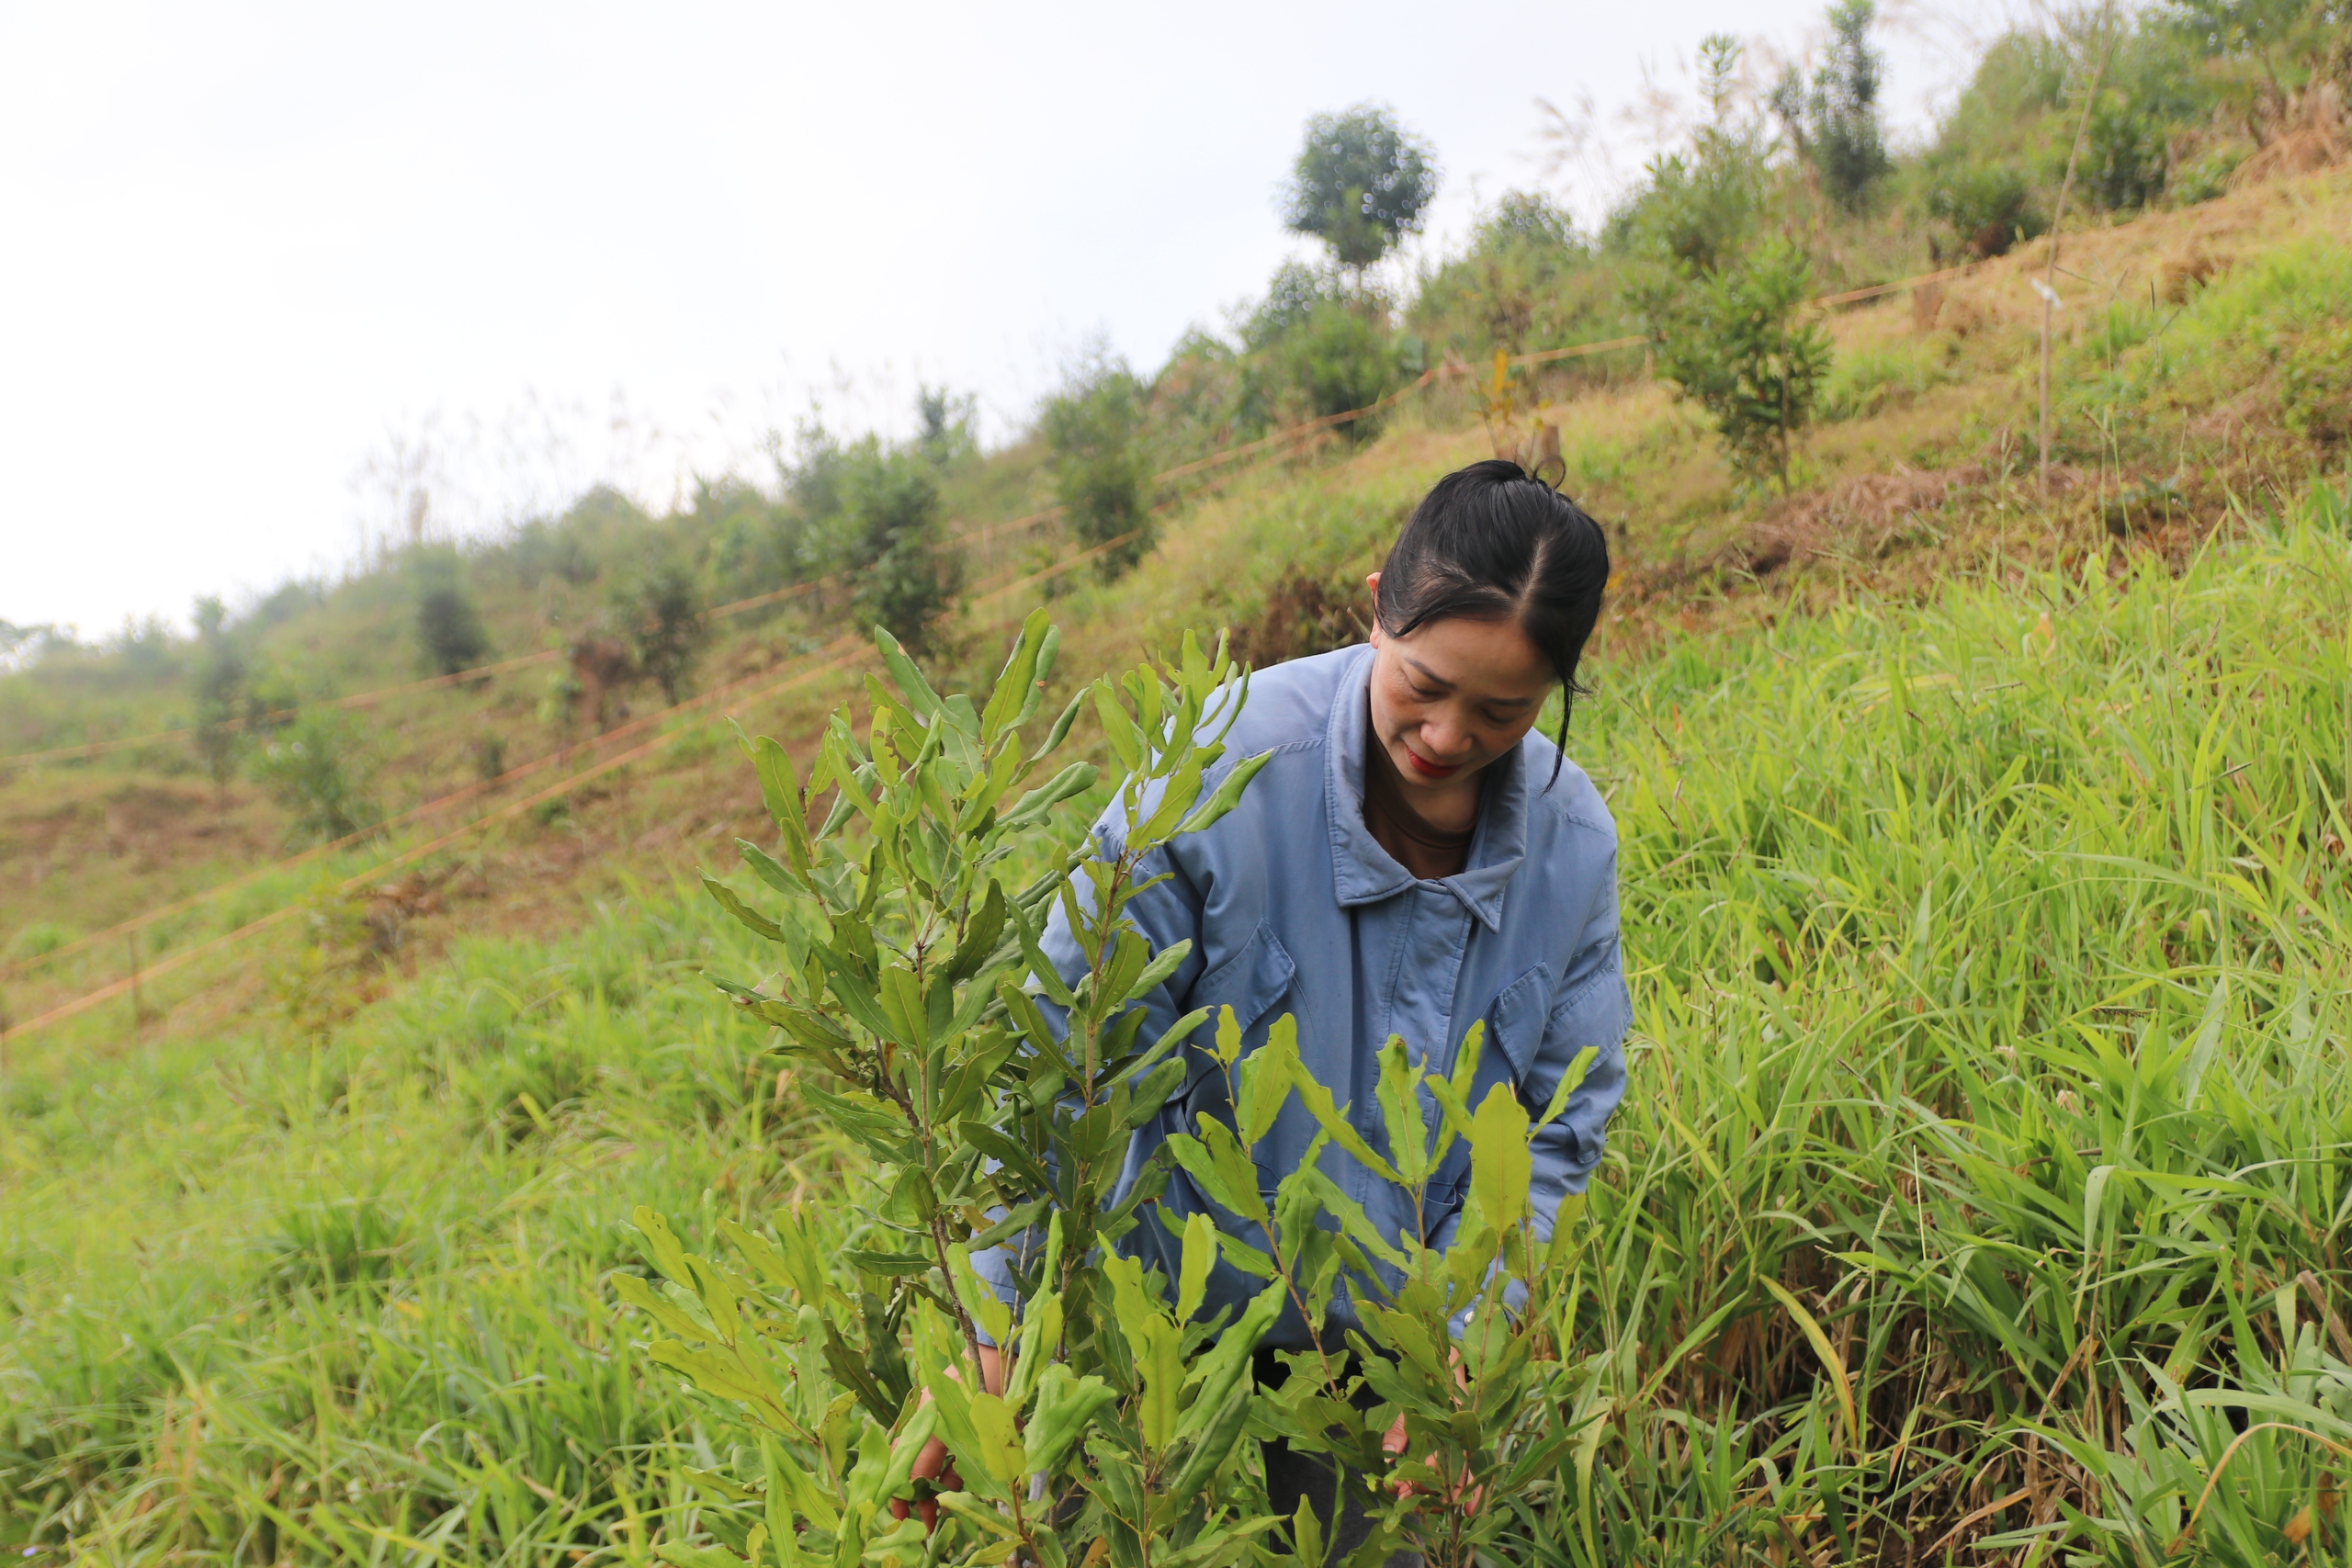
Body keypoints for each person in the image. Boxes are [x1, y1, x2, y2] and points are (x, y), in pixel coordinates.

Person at [912, 458, 1633, 1562]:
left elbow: (1552, 1125)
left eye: (1503, 711)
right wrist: (1000, 1325)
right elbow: (1069, 1055)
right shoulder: (1224, 766)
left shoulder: (1571, 846)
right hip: (1153, 1329)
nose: (1447, 737)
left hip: (1388, 1357)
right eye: (1424, 685)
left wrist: (1470, 1340)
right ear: (1376, 601)